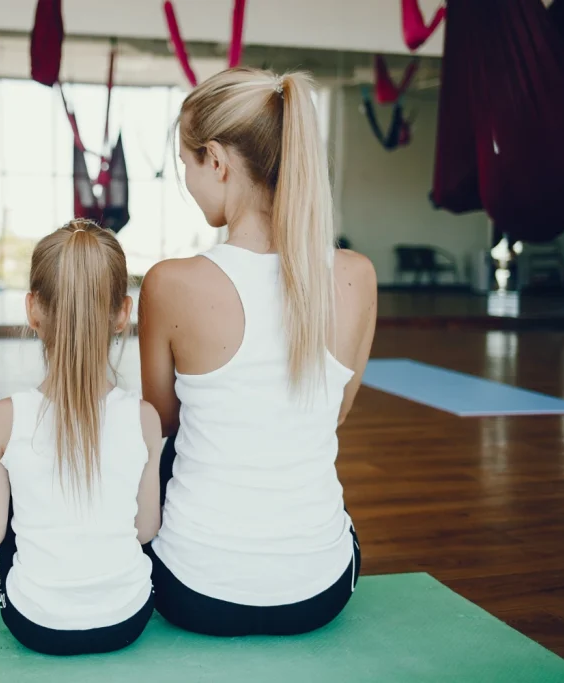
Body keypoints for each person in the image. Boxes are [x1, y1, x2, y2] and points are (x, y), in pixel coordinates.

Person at [138, 68, 378, 637]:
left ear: (216, 161)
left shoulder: (170, 283)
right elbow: (331, 415)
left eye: (186, 164)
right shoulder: (357, 276)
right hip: (321, 593)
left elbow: (160, 424)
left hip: (191, 593)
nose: (187, 181)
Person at [0, 220, 163, 656]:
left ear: (33, 310)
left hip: (36, 624)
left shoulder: (4, 418)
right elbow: (146, 530)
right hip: (129, 619)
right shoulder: (144, 419)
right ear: (122, 313)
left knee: (9, 496)